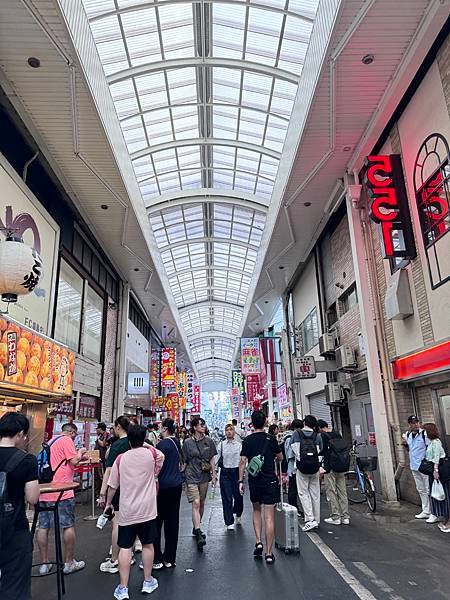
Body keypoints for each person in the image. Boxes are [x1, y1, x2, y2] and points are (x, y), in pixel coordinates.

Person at [105, 424, 164, 600]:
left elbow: (113, 485)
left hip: (127, 510)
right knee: (147, 545)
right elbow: (162, 456)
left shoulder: (121, 459)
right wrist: (146, 445)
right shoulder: (151, 455)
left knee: (125, 547)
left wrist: (108, 502)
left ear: (128, 439)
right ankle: (147, 581)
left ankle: (123, 588)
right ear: (144, 437)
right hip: (147, 509)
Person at [37, 422, 88, 574]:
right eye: (75, 434)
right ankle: (69, 562)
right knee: (68, 525)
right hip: (62, 490)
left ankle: (44, 564)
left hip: (44, 490)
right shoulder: (66, 441)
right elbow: (73, 461)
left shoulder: (52, 441)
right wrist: (81, 452)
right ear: (71, 432)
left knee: (43, 526)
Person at [0, 413, 39, 600]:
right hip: (14, 530)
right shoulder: (27, 460)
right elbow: (33, 498)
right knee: (15, 585)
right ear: (20, 434)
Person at [239, 410, 282, 565]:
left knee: (256, 510)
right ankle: (269, 554)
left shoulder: (247, 441)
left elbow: (243, 462)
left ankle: (258, 541)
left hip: (255, 480)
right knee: (269, 516)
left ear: (252, 422)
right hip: (270, 480)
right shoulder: (271, 439)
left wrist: (240, 481)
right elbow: (280, 457)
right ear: (265, 422)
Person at [99, 416, 130, 574]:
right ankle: (127, 555)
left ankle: (115, 559)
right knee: (130, 522)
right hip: (134, 489)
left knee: (117, 523)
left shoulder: (117, 446)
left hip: (119, 488)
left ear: (118, 427)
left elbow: (109, 471)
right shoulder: (135, 443)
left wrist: (103, 492)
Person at [153, 418, 184, 568]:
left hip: (162, 487)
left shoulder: (162, 445)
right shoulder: (176, 442)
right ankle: (170, 558)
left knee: (157, 522)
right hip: (176, 485)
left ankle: (157, 558)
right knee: (173, 522)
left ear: (165, 428)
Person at [182, 417, 217, 550]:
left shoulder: (209, 441)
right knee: (195, 503)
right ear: (195, 427)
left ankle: (197, 525)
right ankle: (198, 530)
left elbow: (212, 459)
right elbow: (184, 461)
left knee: (201, 503)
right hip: (191, 475)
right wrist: (181, 477)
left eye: (204, 424)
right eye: (201, 425)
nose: (203, 427)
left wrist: (214, 475)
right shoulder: (187, 443)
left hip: (204, 476)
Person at [291, 414, 323, 532]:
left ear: (304, 423)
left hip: (302, 467)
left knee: (303, 493)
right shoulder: (317, 436)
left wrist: (300, 460)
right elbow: (320, 452)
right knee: (315, 493)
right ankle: (317, 519)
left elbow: (294, 450)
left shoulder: (297, 434)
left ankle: (309, 519)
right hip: (315, 467)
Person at [402, 415, 437, 522]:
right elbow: (411, 450)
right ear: (409, 424)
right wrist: (405, 445)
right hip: (414, 466)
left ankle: (434, 512)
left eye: (417, 422)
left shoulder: (424, 434)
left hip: (424, 466)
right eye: (413, 423)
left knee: (429, 489)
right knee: (421, 489)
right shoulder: (407, 435)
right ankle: (425, 511)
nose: (416, 424)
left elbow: (431, 448)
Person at [318, 419, 350, 526]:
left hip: (330, 467)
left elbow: (322, 451)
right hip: (341, 466)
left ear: (319, 428)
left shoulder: (323, 436)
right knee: (342, 491)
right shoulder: (337, 433)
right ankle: (345, 517)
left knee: (331, 491)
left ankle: (336, 516)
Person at [422, 423, 450, 533]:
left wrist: (435, 470)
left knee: (446, 496)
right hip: (436, 472)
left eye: (425, 431)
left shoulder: (436, 443)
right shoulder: (431, 443)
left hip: (442, 472)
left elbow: (437, 457)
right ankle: (445, 519)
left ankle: (449, 522)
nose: (423, 434)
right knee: (440, 496)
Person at [217, 424, 243, 530]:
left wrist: (243, 473)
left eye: (231, 430)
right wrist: (213, 473)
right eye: (227, 430)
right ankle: (229, 521)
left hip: (237, 472)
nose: (229, 432)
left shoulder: (239, 445)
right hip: (225, 473)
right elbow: (216, 458)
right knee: (227, 497)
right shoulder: (221, 445)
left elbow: (243, 460)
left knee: (238, 497)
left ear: (234, 432)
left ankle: (238, 513)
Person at [284, 419, 303, 512]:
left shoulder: (291, 437)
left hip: (295, 466)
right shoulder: (289, 438)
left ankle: (295, 506)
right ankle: (294, 507)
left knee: (294, 487)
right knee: (293, 488)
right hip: (293, 466)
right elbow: (289, 454)